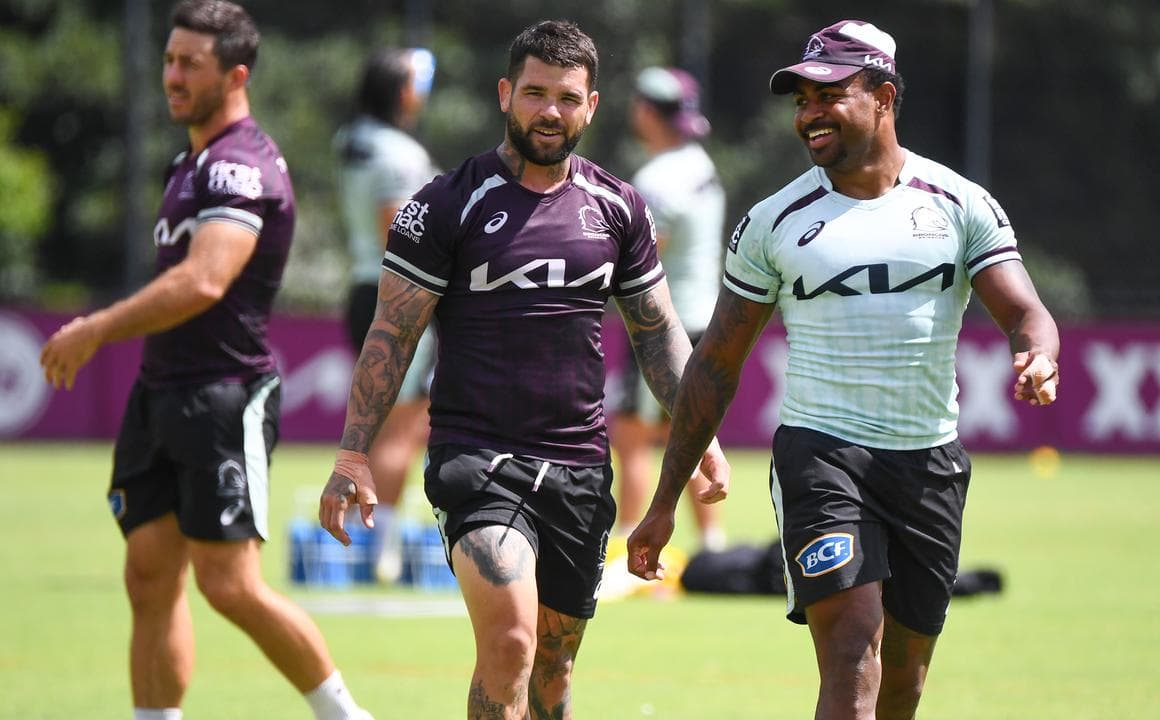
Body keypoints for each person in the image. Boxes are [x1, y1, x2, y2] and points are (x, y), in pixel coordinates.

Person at [627, 19, 1061, 720]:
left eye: (830, 95)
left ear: (885, 96)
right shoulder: (775, 221)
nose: (809, 115)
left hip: (928, 466)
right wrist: (662, 501)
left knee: (905, 682)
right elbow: (715, 366)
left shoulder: (959, 204)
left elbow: (1027, 312)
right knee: (854, 654)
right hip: (822, 458)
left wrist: (1038, 353)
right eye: (800, 100)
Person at [317, 20, 729, 719]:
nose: (549, 112)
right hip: (476, 458)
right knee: (509, 642)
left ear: (590, 106)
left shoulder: (619, 208)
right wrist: (353, 450)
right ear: (506, 93)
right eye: (534, 93)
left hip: (576, 466)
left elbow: (659, 336)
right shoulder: (446, 203)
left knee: (553, 671)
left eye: (567, 98)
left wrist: (701, 436)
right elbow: (391, 332)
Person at [38, 2, 372, 718]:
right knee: (149, 574)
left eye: (191, 63)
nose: (173, 76)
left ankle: (347, 716)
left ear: (237, 74)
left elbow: (205, 280)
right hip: (161, 392)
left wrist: (96, 328)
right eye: (168, 60)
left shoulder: (239, 168)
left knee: (229, 585)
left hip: (223, 395)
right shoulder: (190, 162)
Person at [607, 66, 727, 552]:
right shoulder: (701, 163)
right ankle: (712, 543)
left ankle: (625, 542)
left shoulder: (657, 178)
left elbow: (646, 251)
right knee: (693, 433)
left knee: (632, 435)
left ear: (645, 111)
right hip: (706, 316)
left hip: (662, 324)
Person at [334, 46, 442, 583]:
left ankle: (360, 540)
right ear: (401, 90)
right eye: (417, 82)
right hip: (397, 296)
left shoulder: (350, 141)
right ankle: (381, 551)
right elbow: (400, 233)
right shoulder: (399, 152)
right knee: (403, 427)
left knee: (376, 423)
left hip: (359, 285)